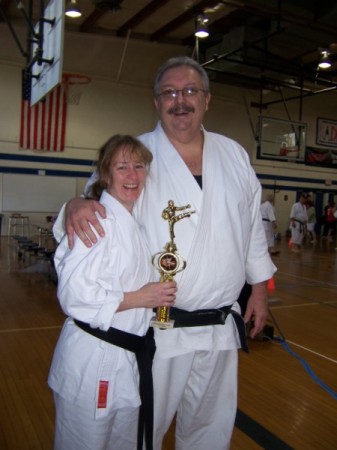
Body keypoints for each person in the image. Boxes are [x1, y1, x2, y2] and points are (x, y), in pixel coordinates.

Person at [53, 56, 276, 450]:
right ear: (156, 102)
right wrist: (73, 206)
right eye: (169, 92)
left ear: (206, 99)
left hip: (220, 325)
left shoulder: (234, 155)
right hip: (161, 328)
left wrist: (259, 289)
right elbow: (92, 203)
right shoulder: (137, 155)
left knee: (211, 430)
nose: (180, 101)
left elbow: (251, 227)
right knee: (145, 431)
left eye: (190, 91)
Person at [48, 134, 177, 450]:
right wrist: (142, 298)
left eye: (138, 166)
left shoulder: (133, 220)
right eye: (122, 167)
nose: (132, 176)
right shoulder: (95, 220)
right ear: (105, 174)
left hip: (126, 362)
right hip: (93, 363)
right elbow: (74, 296)